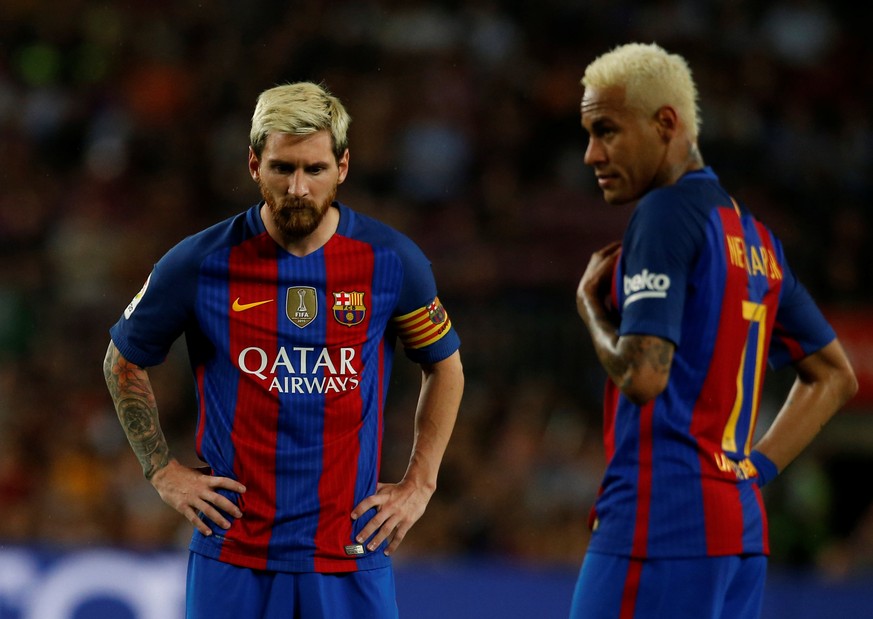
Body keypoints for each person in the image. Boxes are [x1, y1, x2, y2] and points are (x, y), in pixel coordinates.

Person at [103, 81, 464, 619]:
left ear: (342, 167)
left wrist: (420, 483)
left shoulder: (391, 262)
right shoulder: (198, 263)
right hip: (234, 556)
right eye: (282, 168)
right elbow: (122, 360)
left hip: (349, 553)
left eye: (314, 169)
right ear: (253, 164)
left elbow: (445, 366)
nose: (298, 187)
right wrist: (163, 472)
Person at [572, 43, 857, 619]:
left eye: (606, 130)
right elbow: (834, 375)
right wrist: (754, 471)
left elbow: (643, 374)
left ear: (666, 123)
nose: (590, 154)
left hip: (661, 526)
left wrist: (592, 311)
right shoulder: (755, 239)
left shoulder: (662, 214)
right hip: (739, 534)